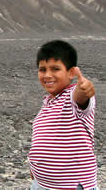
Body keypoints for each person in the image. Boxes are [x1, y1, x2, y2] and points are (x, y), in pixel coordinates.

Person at [28, 40, 98, 190]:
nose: (47, 75)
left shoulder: (71, 97)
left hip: (71, 186)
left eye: (55, 69)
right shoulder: (48, 102)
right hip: (41, 184)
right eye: (42, 69)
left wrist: (83, 90)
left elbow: (80, 98)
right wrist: (33, 166)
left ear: (71, 72)